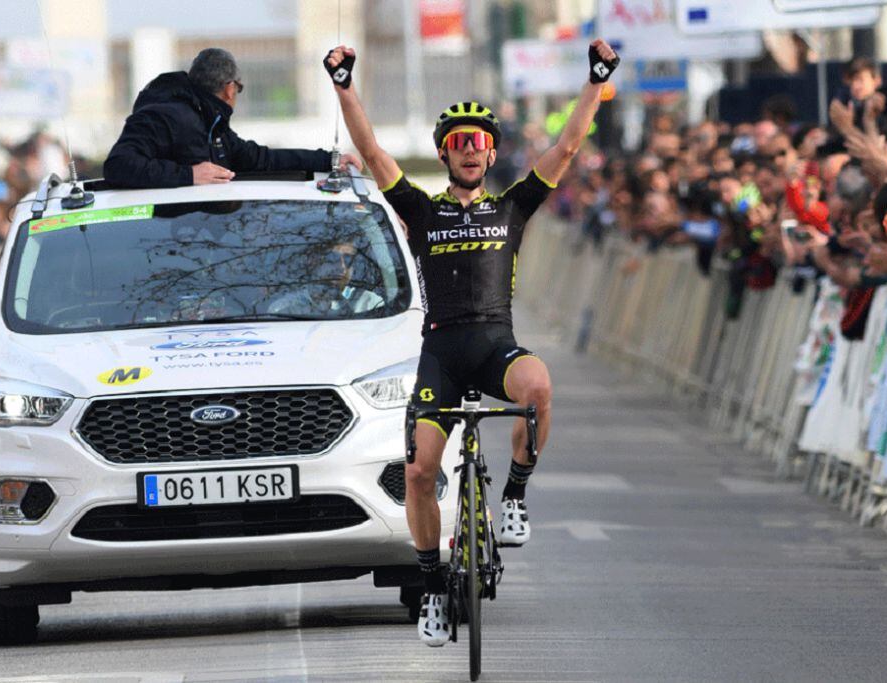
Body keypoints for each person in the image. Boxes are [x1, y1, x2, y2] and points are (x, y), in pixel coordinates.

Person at [323, 39, 619, 646]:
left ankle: (513, 495)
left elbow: (566, 146)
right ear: (443, 153)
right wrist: (345, 85)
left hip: (494, 347)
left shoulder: (512, 208)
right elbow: (373, 151)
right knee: (419, 474)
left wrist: (594, 81)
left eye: (478, 141)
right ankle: (432, 585)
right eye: (458, 142)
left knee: (537, 386)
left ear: (491, 154)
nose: (469, 150)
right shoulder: (422, 211)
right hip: (442, 357)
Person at [104, 48, 360, 188]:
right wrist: (188, 175)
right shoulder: (164, 115)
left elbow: (260, 159)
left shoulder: (210, 124)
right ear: (229, 88)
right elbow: (118, 165)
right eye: (239, 88)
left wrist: (330, 160)